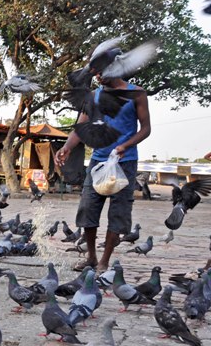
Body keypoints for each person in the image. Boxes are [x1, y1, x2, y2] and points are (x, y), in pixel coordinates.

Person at [55, 69, 151, 272]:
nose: (97, 76)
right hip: (98, 162)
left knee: (118, 213)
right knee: (87, 209)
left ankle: (104, 261)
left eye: (101, 71)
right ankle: (91, 257)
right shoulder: (93, 96)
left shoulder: (137, 93)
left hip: (124, 162)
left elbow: (145, 129)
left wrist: (125, 146)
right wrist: (66, 147)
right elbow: (80, 128)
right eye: (95, 72)